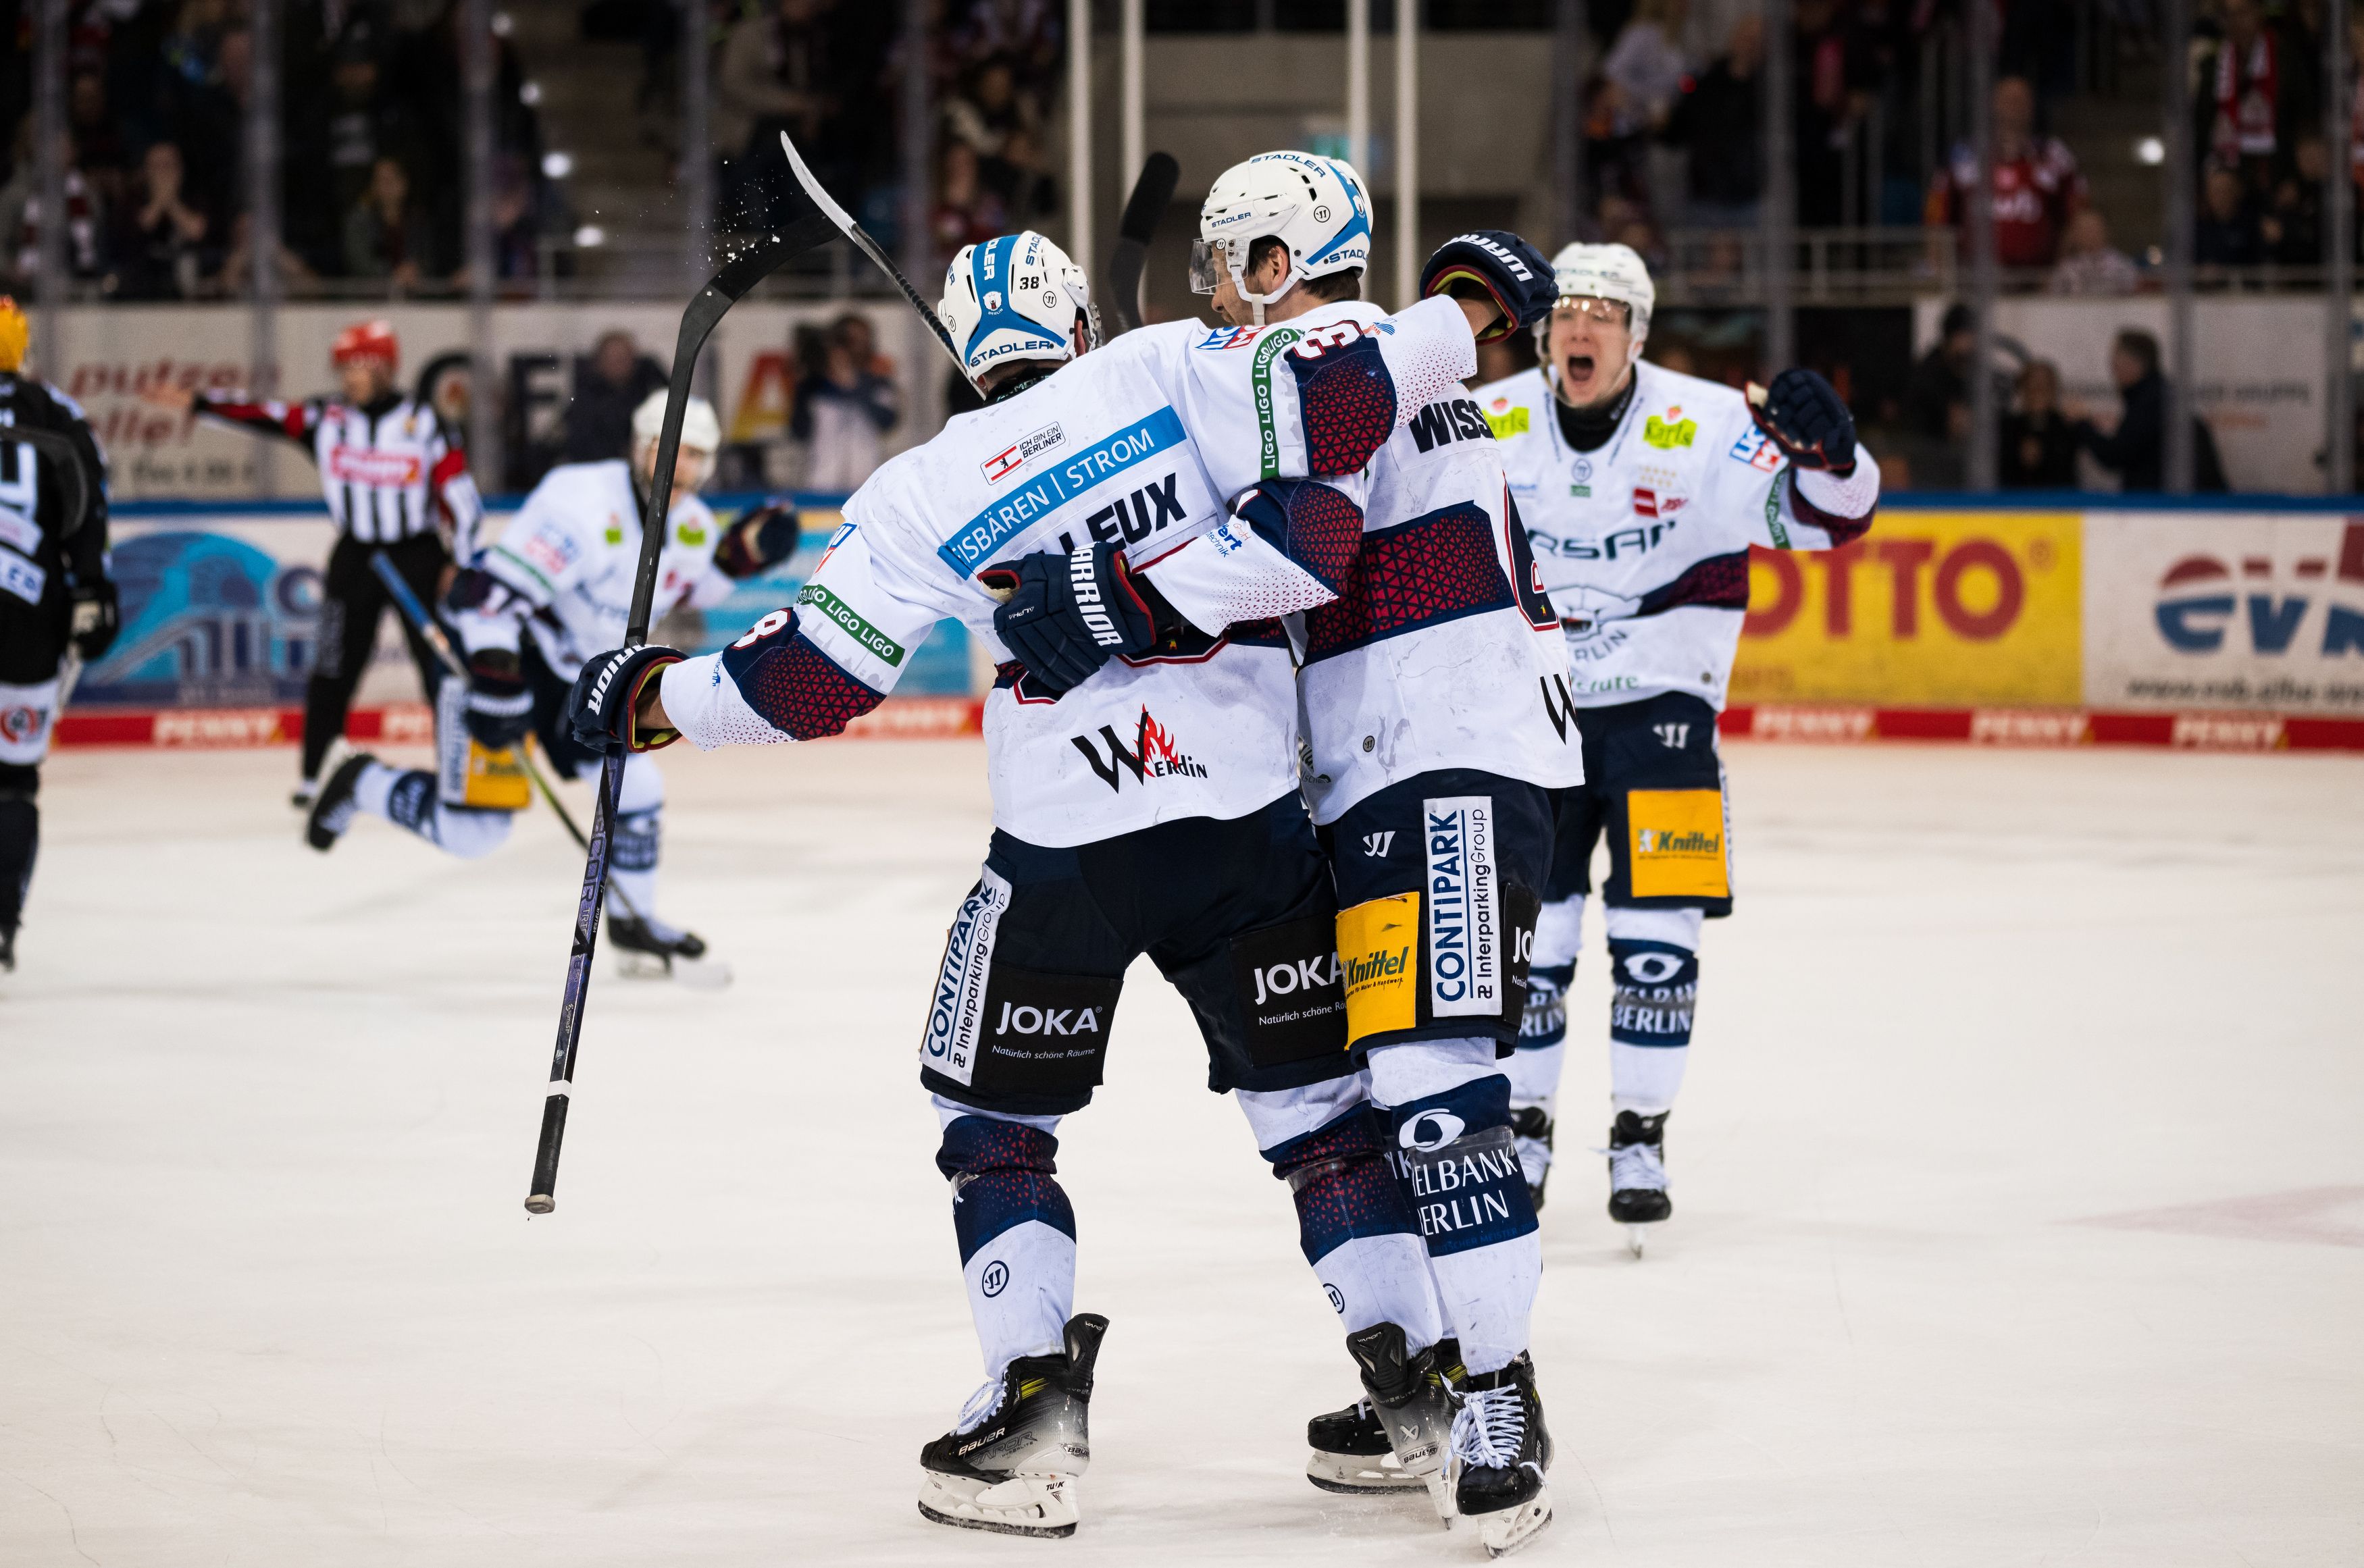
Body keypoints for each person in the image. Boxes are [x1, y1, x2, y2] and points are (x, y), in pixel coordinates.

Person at [564, 217, 1539, 1542]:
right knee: (1320, 1121)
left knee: (994, 1127)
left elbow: (807, 684)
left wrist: (650, 700)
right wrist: (1466, 310)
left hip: (1063, 849)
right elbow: (1337, 405)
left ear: (967, 358)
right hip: (1247, 830)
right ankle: (1419, 1390)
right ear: (1077, 323)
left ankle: (1030, 1409)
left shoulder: (920, 488)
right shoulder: (1172, 365)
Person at [1083, 161, 1577, 1548]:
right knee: (1367, 1090)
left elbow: (1295, 558)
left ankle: (1499, 1391)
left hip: (1448, 756)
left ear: (1285, 261)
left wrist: (1111, 596)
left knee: (1430, 1087)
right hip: (1380, 765)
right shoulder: (1319, 367)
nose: (1217, 286)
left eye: (1234, 257)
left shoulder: (1328, 355)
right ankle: (1439, 1370)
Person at [1474, 242, 1880, 1247]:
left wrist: (1839, 460)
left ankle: (1639, 1136)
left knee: (1658, 947)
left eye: (1605, 313)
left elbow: (1831, 521)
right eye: (1567, 311)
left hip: (1664, 715)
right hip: (1533, 719)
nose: (1581, 327)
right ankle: (1524, 1128)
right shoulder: (1488, 420)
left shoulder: (1707, 423)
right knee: (1533, 944)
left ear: (1638, 333)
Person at [304, 391, 800, 972]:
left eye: (694, 456)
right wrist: (496, 675)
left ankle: (633, 923)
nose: (680, 467)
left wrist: (736, 560)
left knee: (638, 788)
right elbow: (489, 597)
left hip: (579, 674)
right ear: (641, 447)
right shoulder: (582, 501)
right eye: (669, 450)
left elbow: (683, 589)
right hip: (507, 656)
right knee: (474, 833)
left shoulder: (690, 525)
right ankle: (360, 781)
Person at [139, 320, 484, 805]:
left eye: (361, 366)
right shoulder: (327, 418)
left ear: (387, 367)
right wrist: (200, 403)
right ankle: (315, 778)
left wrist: (460, 564)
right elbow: (263, 414)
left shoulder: (426, 423)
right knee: (332, 668)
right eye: (345, 367)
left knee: (441, 670)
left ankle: (461, 774)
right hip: (356, 557)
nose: (351, 376)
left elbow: (461, 500)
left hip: (417, 557)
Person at [0, 297, 118, 974]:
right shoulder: (55, 412)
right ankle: (2, 922)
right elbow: (87, 508)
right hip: (29, 617)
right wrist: (94, 590)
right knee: (14, 782)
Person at [1929, 75, 2086, 269]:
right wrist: (1942, 273)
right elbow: (1937, 221)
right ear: (1992, 104)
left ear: (2032, 106)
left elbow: (2079, 217)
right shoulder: (1962, 155)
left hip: (2038, 277)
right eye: (2008, 99)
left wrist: (2059, 273)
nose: (2014, 106)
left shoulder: (2054, 155)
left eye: (2021, 100)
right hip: (1973, 279)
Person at [2072, 328, 2229, 492]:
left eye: (2116, 364)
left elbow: (2117, 454)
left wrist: (2082, 425)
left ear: (2134, 363)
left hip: (2166, 503)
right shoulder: (2157, 397)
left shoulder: (2151, 403)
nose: (2113, 372)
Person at [791, 312, 900, 491]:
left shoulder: (876, 383)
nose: (857, 348)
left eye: (863, 341)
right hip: (820, 486)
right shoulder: (813, 387)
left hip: (865, 485)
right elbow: (798, 430)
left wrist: (854, 385)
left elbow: (888, 421)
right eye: (849, 341)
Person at [561, 330, 667, 465]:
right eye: (612, 358)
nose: (618, 364)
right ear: (598, 363)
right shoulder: (585, 402)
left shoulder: (650, 395)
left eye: (623, 358)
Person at [1999, 359, 2080, 488]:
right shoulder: (2007, 427)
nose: (2038, 393)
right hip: (2016, 497)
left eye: (2044, 387)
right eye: (2032, 387)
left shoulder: (2067, 426)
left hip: (2059, 497)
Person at [2047, 209, 2141, 296]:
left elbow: (2135, 296)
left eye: (2093, 229)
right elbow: (2052, 297)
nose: (2090, 234)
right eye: (2084, 230)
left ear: (2105, 230)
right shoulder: (2067, 268)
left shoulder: (2122, 264)